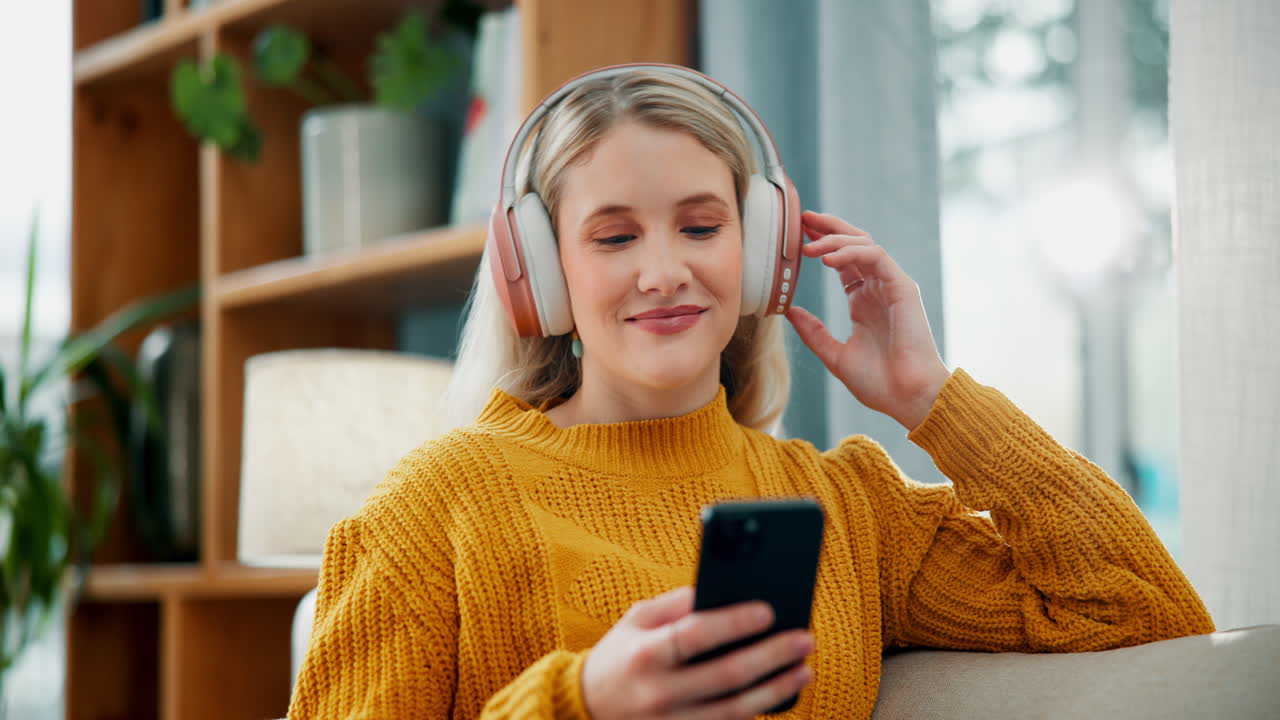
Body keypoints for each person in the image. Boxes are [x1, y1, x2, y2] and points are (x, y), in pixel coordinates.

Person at [287, 65, 1214, 719]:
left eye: (701, 226)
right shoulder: (433, 509)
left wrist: (934, 401)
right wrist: (581, 704)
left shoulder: (843, 506)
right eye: (613, 238)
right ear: (541, 270)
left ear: (763, 250)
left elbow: (1144, 612)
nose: (664, 272)